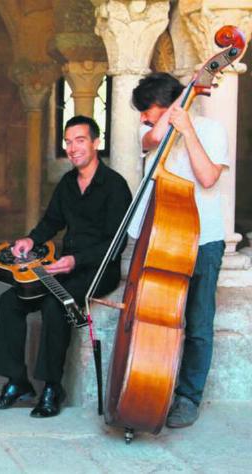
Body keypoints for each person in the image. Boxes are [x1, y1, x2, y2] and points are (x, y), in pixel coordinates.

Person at [0, 116, 132, 418]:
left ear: (95, 143)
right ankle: (17, 381)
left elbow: (114, 244)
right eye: (68, 141)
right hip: (64, 265)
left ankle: (53, 386)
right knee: (10, 301)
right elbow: (52, 221)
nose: (72, 147)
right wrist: (30, 239)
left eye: (79, 140)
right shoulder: (67, 183)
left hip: (98, 269)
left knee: (55, 303)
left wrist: (76, 261)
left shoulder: (115, 186)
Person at [131, 72, 228, 429]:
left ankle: (188, 397)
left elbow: (207, 177)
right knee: (154, 320)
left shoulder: (212, 130)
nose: (143, 116)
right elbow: (151, 138)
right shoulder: (152, 133)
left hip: (204, 240)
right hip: (160, 241)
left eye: (147, 109)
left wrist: (187, 130)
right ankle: (148, 387)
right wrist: (178, 105)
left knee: (199, 324)